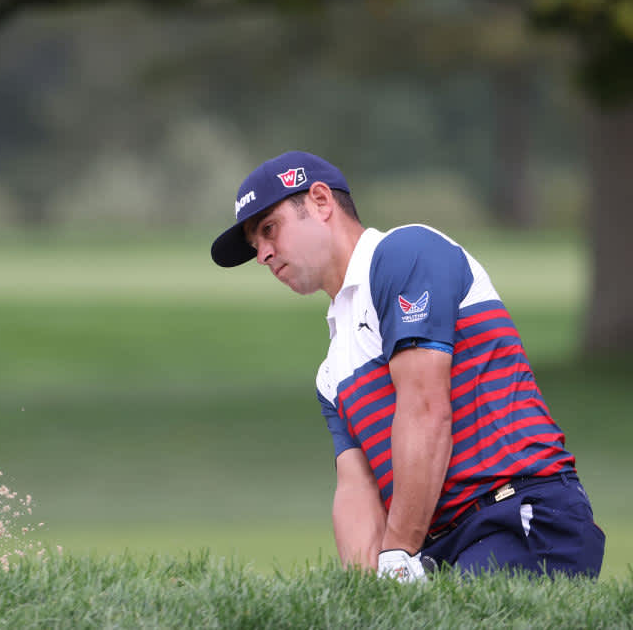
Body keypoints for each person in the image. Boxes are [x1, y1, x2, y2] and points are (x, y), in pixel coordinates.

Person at [210, 151, 605, 581]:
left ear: (321, 201)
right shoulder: (331, 372)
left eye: (270, 230)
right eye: (256, 247)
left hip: (519, 513)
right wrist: (371, 592)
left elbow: (426, 410)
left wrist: (398, 552)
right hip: (442, 546)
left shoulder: (405, 253)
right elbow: (356, 490)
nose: (264, 255)